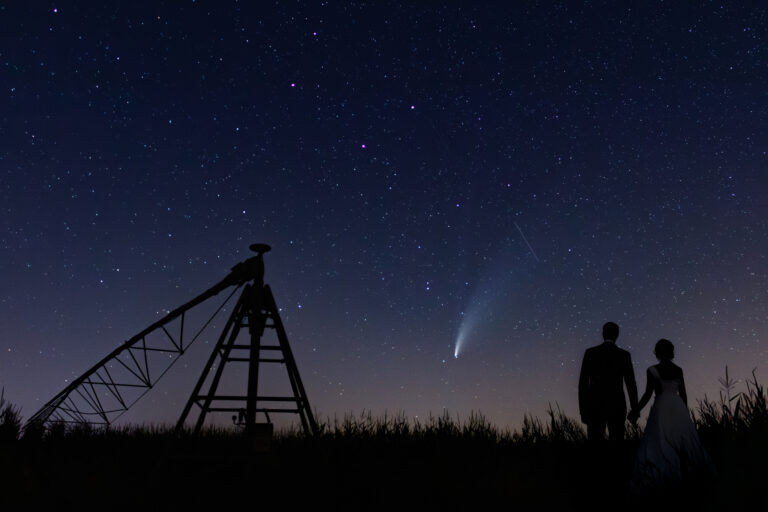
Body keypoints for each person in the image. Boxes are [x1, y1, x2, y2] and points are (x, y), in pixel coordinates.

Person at [627, 339, 713, 491]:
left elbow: (648, 394)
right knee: (683, 439)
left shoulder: (651, 370)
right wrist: (684, 412)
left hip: (661, 408)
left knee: (660, 439)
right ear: (671, 351)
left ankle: (660, 477)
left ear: (657, 352)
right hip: (677, 406)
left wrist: (635, 410)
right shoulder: (678, 369)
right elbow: (684, 394)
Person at [578, 322, 638, 441]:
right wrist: (635, 409)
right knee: (617, 445)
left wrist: (583, 410)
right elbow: (631, 384)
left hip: (594, 406)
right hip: (617, 405)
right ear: (617, 335)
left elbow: (583, 384)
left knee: (595, 446)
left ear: (603, 334)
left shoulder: (590, 353)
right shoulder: (624, 355)